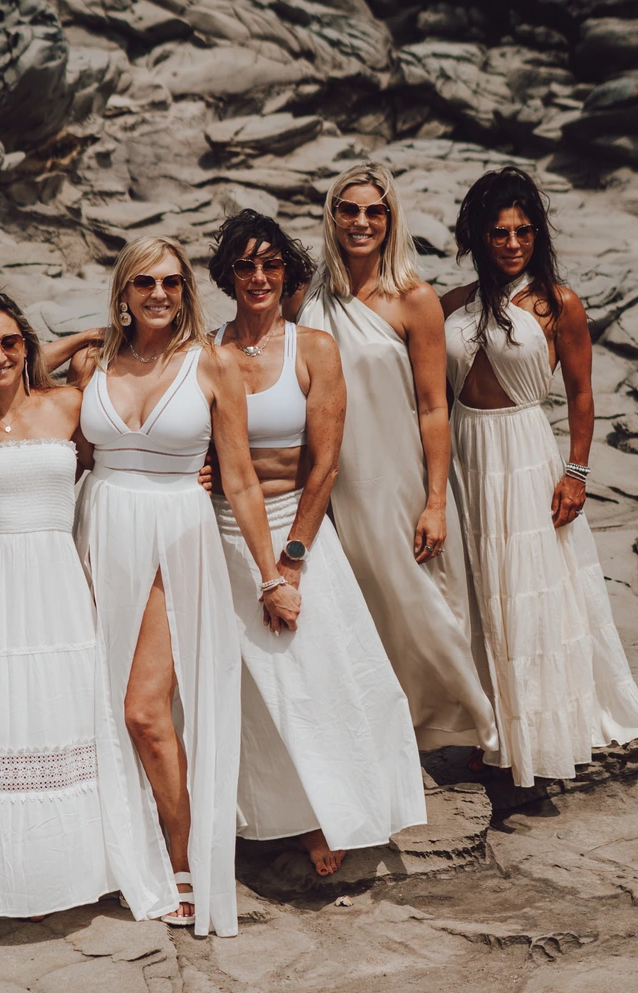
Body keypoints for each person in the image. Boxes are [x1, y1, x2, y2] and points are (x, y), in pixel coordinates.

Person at [69, 238, 299, 936]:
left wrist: (271, 575)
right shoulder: (94, 362)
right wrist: (91, 332)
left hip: (175, 537)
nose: (160, 294)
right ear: (125, 290)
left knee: (145, 710)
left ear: (187, 290)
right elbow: (67, 446)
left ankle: (184, 859)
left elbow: (238, 479)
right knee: (96, 704)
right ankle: (115, 850)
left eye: (171, 282)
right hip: (100, 531)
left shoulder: (213, 364)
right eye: (144, 283)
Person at [208, 211, 426, 876]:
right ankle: (273, 817)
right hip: (221, 530)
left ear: (287, 273)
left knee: (322, 673)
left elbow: (325, 466)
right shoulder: (206, 349)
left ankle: (337, 808)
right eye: (245, 265)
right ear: (227, 275)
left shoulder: (314, 349)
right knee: (249, 687)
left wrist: (292, 564)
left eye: (271, 264)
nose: (259, 277)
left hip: (296, 528)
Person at [442, 169, 638, 785]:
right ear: (478, 234)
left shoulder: (559, 303)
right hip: (465, 455)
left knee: (530, 589)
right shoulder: (451, 304)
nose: (512, 243)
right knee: (477, 592)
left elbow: (582, 394)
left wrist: (576, 472)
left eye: (524, 231)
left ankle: (539, 728)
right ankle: (491, 724)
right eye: (499, 232)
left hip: (526, 453)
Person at [299, 163, 497, 755]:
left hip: (394, 477)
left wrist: (436, 501)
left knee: (416, 601)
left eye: (374, 211)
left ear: (390, 220)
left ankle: (466, 722)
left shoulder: (414, 299)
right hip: (327, 478)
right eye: (350, 209)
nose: (361, 222)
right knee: (356, 602)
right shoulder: (309, 294)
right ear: (332, 216)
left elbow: (436, 408)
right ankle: (384, 730)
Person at [0, 292, 118, 919]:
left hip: (54, 573)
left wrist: (76, 344)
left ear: (26, 346)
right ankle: (1, 874)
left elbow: (111, 470)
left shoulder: (68, 404)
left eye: (10, 342)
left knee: (62, 705)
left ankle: (72, 865)